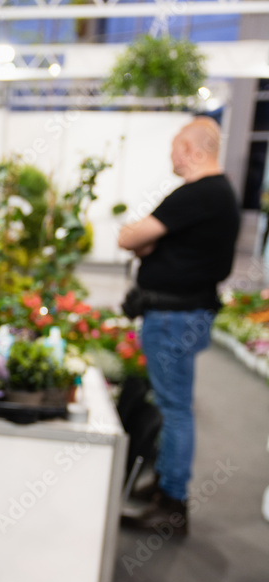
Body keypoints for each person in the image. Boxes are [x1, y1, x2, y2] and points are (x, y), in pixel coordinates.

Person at [117, 117, 240, 536]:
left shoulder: (199, 194)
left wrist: (144, 240)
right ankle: (165, 489)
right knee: (175, 407)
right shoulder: (215, 195)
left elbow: (131, 238)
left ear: (190, 149)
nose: (171, 155)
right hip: (182, 315)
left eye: (174, 147)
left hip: (173, 317)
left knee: (174, 411)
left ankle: (172, 503)